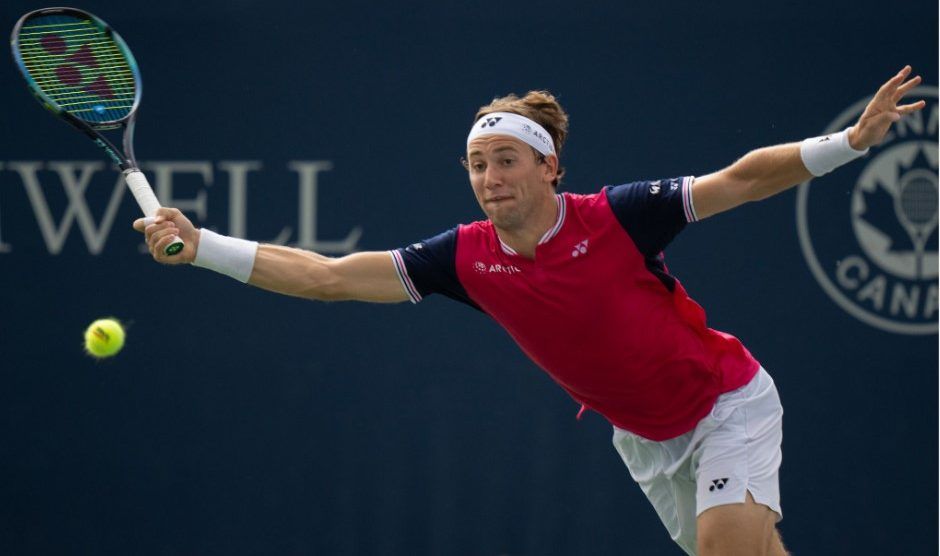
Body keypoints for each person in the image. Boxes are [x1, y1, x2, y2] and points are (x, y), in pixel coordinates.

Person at [135, 66, 924, 555]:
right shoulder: (463, 258)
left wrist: (849, 142)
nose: (489, 177)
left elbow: (742, 178)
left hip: (726, 403)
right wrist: (202, 245)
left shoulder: (618, 215)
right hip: (645, 442)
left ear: (549, 166)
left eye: (505, 160)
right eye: (477, 164)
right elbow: (328, 277)